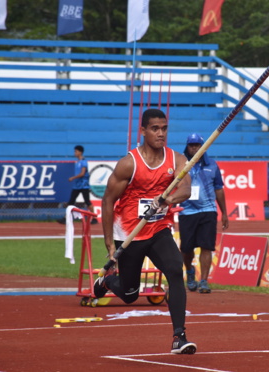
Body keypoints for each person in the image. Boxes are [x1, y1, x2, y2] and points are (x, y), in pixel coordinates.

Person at [95, 108, 196, 355]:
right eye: (155, 129)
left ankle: (179, 337)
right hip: (128, 234)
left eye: (164, 128)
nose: (161, 134)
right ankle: (108, 281)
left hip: (158, 229)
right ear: (142, 130)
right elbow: (107, 201)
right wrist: (109, 244)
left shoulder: (176, 160)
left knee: (175, 269)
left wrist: (167, 199)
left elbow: (186, 190)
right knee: (130, 294)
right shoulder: (129, 163)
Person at [179, 133, 228, 294]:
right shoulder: (181, 164)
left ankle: (204, 280)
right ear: (187, 146)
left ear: (203, 147)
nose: (194, 148)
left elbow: (219, 190)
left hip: (208, 211)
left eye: (197, 145)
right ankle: (190, 272)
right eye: (191, 145)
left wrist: (224, 213)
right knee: (186, 249)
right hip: (186, 211)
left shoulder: (212, 165)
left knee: (207, 247)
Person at [57, 145, 98, 224]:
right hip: (76, 186)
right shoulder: (78, 162)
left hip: (84, 185)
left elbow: (82, 173)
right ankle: (66, 218)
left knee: (87, 202)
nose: (74, 153)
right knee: (71, 202)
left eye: (76, 151)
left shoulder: (83, 162)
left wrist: (73, 178)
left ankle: (94, 218)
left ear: (80, 152)